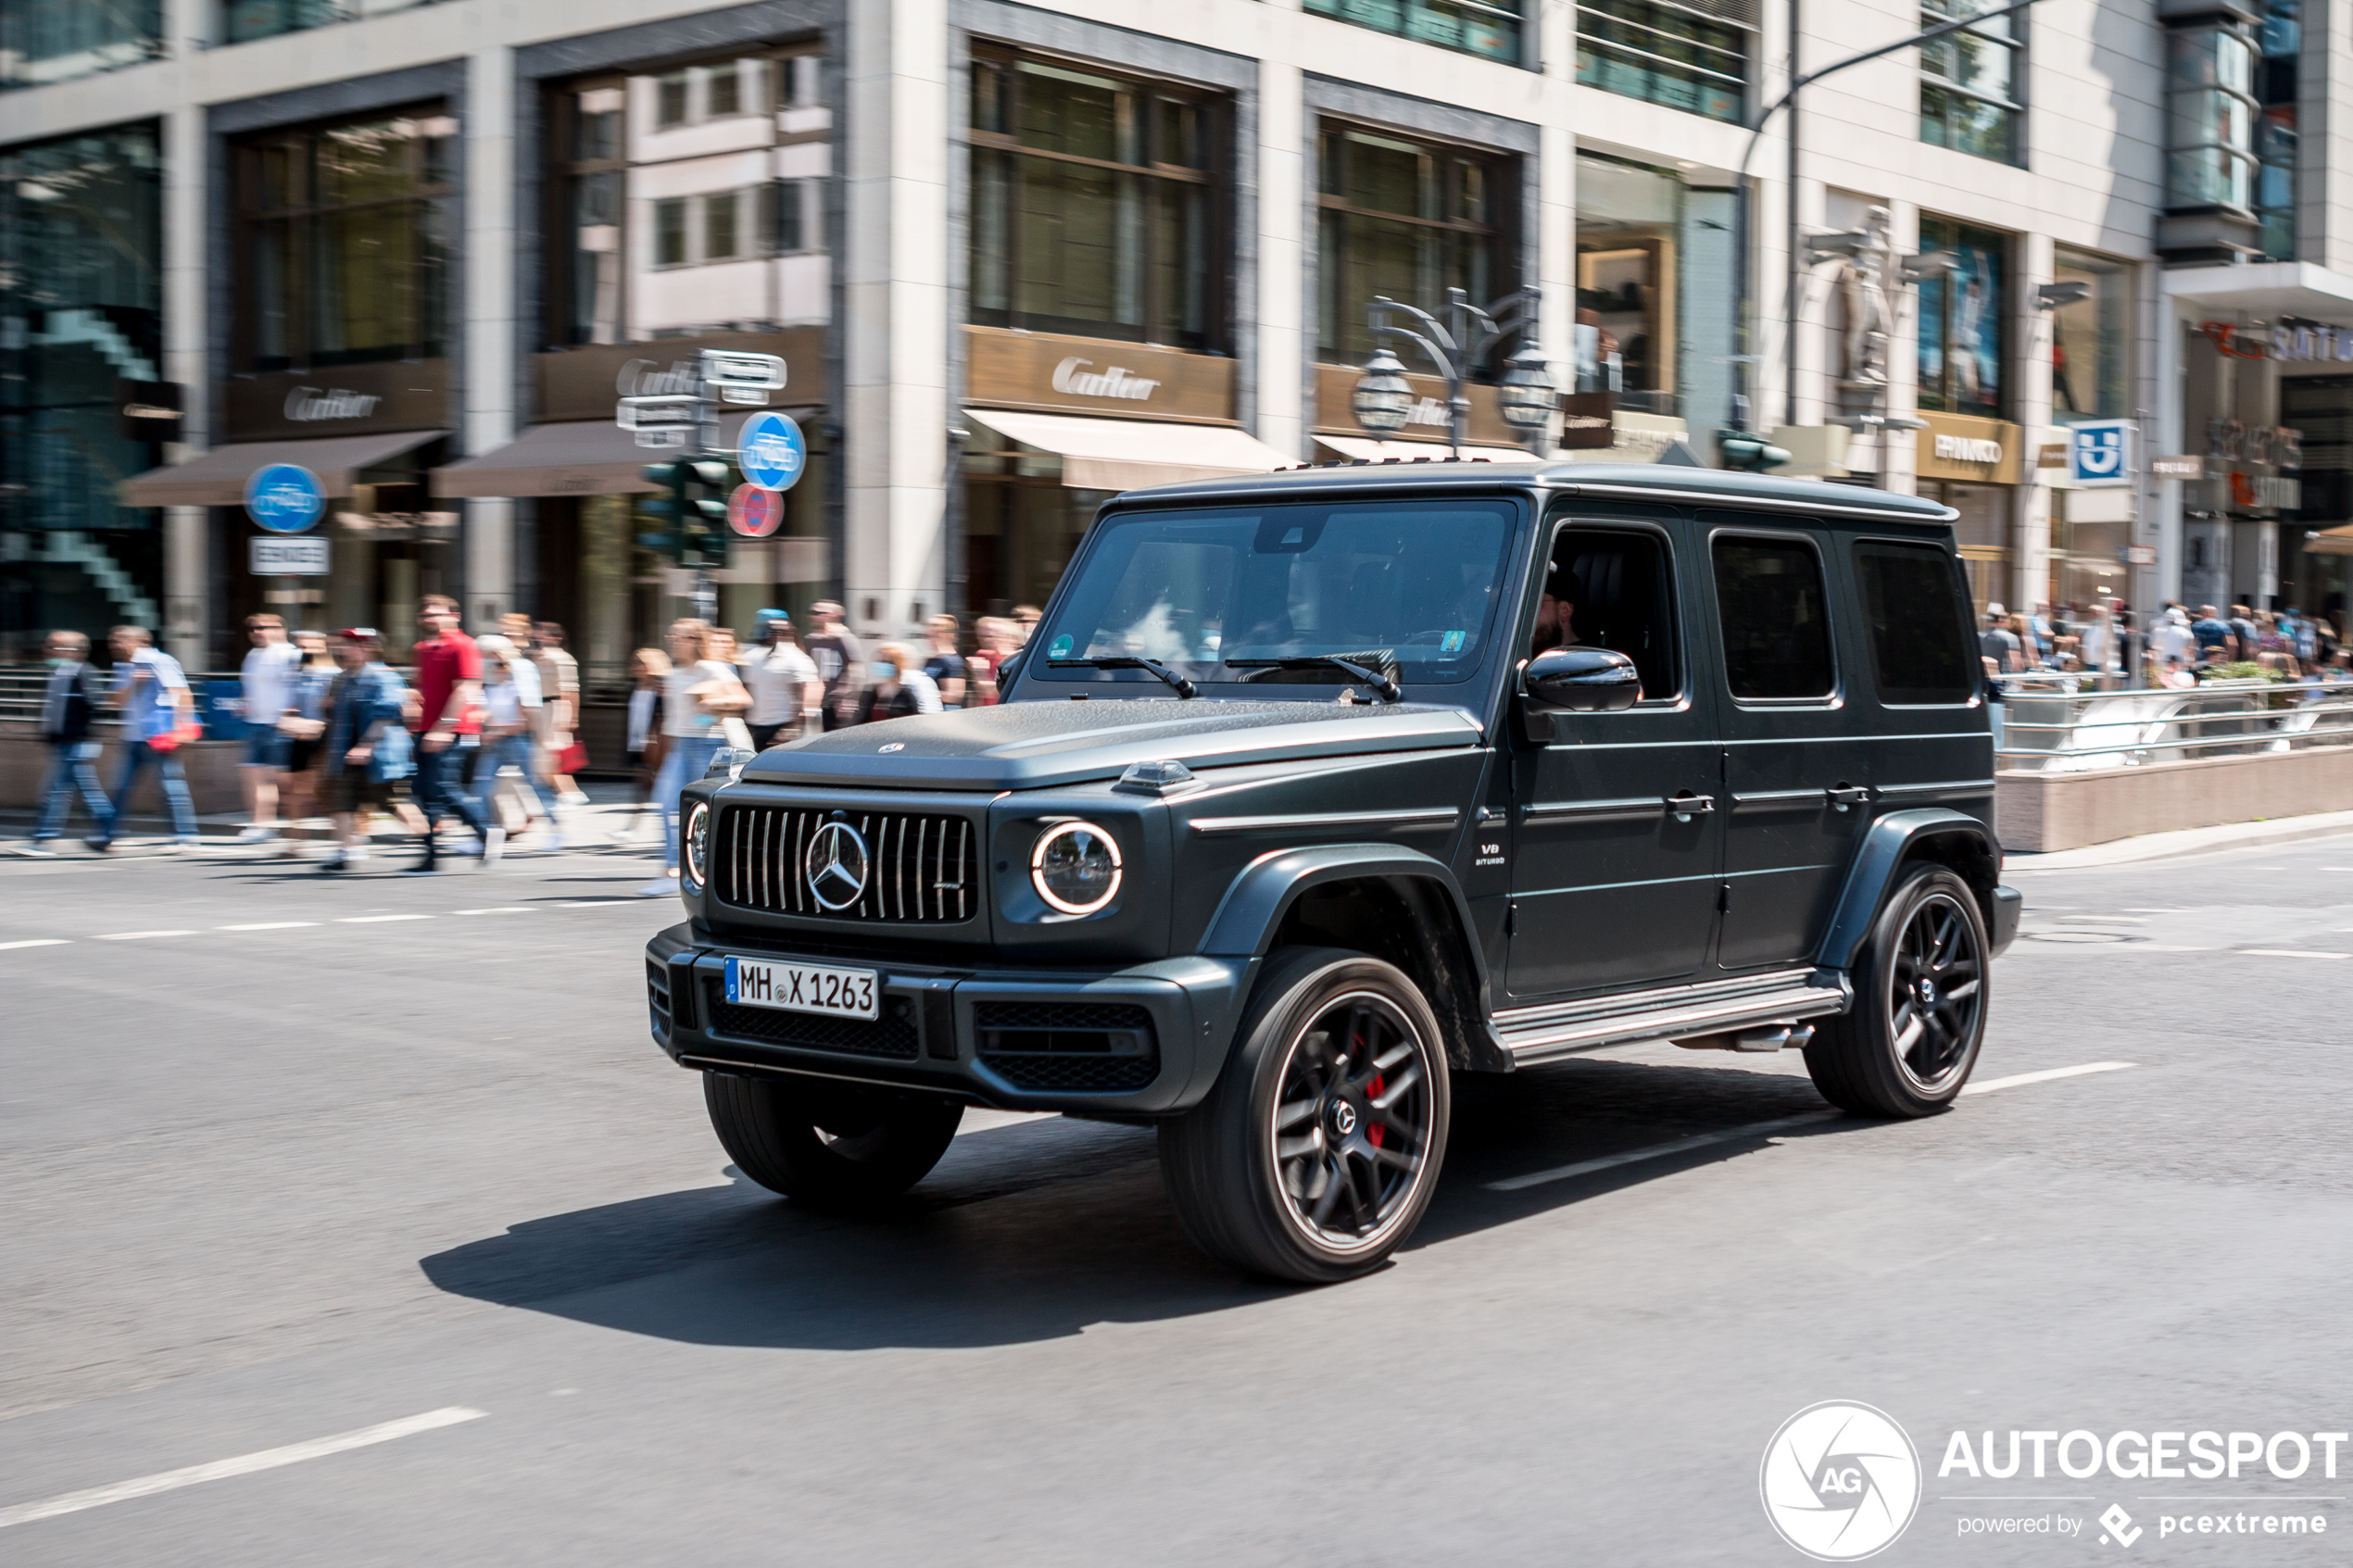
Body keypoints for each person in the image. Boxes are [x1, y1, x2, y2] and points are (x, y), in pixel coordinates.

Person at [646, 619, 749, 896]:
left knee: (704, 810)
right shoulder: (674, 672)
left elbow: (742, 700)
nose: (677, 642)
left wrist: (711, 702)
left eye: (684, 637)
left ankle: (713, 869)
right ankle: (671, 869)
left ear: (698, 641)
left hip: (708, 744)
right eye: (674, 637)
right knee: (667, 805)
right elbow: (671, 720)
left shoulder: (713, 668)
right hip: (681, 745)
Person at [407, 595, 501, 873]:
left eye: (435, 614)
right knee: (423, 792)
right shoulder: (422, 648)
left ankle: (486, 830)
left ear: (454, 616)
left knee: (442, 787)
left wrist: (444, 727)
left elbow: (466, 688)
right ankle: (432, 855)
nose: (428, 619)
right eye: (424, 615)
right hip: (425, 729)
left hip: (453, 730)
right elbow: (422, 689)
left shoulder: (463, 645)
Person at [316, 629, 415, 874]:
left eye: (351, 645)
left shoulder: (383, 677)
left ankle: (429, 840)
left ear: (367, 649)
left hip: (377, 756)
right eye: (343, 645)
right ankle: (345, 852)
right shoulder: (342, 679)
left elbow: (388, 714)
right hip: (346, 755)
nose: (342, 649)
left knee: (391, 803)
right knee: (343, 804)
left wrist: (367, 745)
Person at [95, 625, 200, 853]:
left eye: (120, 639)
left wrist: (183, 726)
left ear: (142, 640)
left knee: (171, 787)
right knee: (120, 788)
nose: (114, 644)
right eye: (112, 640)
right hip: (132, 737)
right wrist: (131, 682)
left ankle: (186, 837)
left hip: (159, 736)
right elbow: (115, 701)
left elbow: (182, 693)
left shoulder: (159, 660)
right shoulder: (124, 666)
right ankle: (107, 836)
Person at [18, 630, 116, 855]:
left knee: (55, 791)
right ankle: (109, 830)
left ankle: (42, 838)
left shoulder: (84, 673)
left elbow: (97, 705)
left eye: (55, 647)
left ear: (76, 651)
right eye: (49, 646)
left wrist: (81, 730)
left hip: (77, 743)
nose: (48, 651)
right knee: (88, 793)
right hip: (64, 742)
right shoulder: (59, 672)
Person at [472, 634, 556, 846]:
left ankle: (557, 830)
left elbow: (527, 721)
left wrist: (495, 732)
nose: (490, 663)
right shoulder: (489, 685)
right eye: (486, 657)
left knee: (536, 787)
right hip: (494, 744)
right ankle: (486, 835)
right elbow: (483, 713)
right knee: (481, 789)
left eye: (494, 658)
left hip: (519, 742)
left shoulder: (519, 682)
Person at [236, 613, 302, 842]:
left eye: (261, 627)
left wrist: (290, 716)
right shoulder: (253, 655)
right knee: (254, 776)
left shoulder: (292, 655)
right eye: (252, 628)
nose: (255, 632)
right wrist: (245, 705)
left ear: (279, 629)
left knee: (283, 782)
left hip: (280, 725)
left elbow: (299, 690)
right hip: (255, 723)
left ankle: (292, 828)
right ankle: (261, 825)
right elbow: (250, 688)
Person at [272, 629, 338, 857]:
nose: (305, 650)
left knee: (328, 790)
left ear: (323, 646)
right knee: (295, 792)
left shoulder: (334, 674)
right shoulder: (296, 673)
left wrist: (320, 724)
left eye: (311, 645)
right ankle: (295, 843)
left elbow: (340, 711)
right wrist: (288, 720)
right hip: (300, 738)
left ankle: (346, 839)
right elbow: (289, 707)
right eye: (300, 646)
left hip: (328, 738)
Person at [739, 609, 821, 748]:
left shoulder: (798, 659)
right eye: (770, 629)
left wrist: (794, 727)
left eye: (780, 631)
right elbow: (745, 689)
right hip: (754, 725)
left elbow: (809, 690)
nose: (774, 634)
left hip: (782, 726)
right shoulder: (751, 656)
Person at [531, 621, 587, 810]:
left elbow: (570, 690)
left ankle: (568, 793)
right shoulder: (536, 657)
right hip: (539, 707)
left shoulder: (562, 659)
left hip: (553, 708)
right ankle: (569, 793)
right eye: (537, 634)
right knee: (549, 755)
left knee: (550, 754)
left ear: (556, 638)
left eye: (544, 634)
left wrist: (571, 718)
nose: (539, 638)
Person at [618, 646, 669, 843]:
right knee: (643, 786)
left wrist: (656, 737)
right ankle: (634, 828)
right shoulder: (634, 687)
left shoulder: (661, 688)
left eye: (642, 663)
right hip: (636, 743)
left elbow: (664, 717)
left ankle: (633, 828)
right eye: (636, 663)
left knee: (646, 786)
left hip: (657, 745)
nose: (638, 667)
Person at [804, 599, 866, 731]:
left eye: (818, 613)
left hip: (838, 704)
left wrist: (848, 698)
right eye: (811, 612)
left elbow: (856, 670)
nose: (813, 616)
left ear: (835, 616)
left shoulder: (845, 639)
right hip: (818, 702)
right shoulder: (811, 640)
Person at [861, 642, 942, 722]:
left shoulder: (907, 693)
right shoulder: (870, 692)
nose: (882, 665)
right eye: (880, 661)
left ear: (898, 665)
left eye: (888, 662)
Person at [922, 614, 969, 709]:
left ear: (944, 635)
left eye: (931, 635)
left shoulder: (952, 661)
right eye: (926, 635)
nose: (928, 640)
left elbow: (954, 696)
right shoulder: (932, 659)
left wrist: (925, 694)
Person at [1979, 605, 2022, 676]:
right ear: (1999, 620)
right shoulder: (2010, 637)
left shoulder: (1979, 637)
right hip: (2004, 679)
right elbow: (2015, 663)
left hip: (1985, 678)